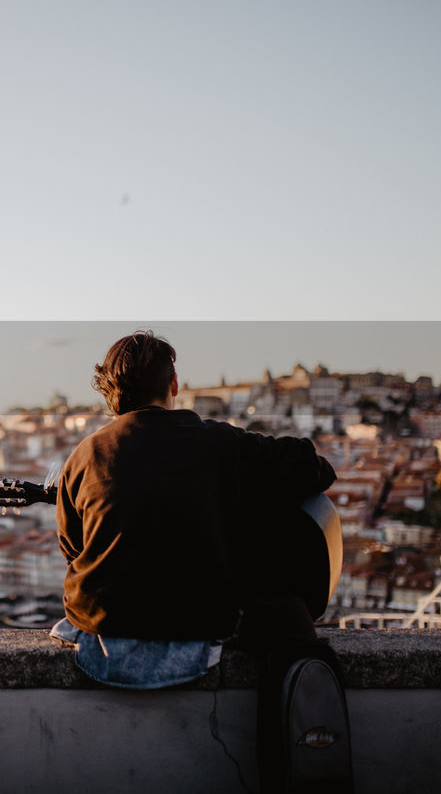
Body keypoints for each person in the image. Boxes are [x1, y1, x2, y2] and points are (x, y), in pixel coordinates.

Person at [49, 330, 349, 791]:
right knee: (289, 616)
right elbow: (315, 469)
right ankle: (296, 758)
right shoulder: (221, 444)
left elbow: (73, 549)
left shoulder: (82, 457)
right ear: (174, 385)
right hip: (199, 617)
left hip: (100, 624)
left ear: (111, 394)